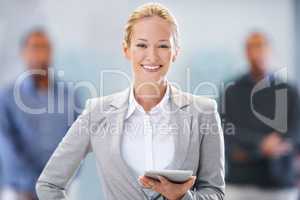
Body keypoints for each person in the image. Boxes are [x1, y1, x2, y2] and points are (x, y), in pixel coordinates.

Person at [36, 3, 225, 200]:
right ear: (126, 50)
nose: (152, 56)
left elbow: (215, 192)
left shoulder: (203, 112)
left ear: (175, 52)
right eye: (142, 45)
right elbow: (49, 184)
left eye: (163, 45)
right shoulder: (97, 112)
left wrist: (183, 197)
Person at [0, 28, 80, 200]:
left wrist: (57, 184)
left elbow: (79, 143)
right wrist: (33, 184)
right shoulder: (7, 97)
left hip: (60, 190)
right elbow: (6, 146)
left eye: (45, 47)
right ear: (23, 53)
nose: (41, 53)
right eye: (35, 47)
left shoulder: (70, 95)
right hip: (19, 191)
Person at [224, 32, 300, 200]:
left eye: (262, 46)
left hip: (280, 185)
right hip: (239, 183)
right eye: (253, 47)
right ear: (246, 52)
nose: (258, 52)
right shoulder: (231, 90)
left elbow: (296, 130)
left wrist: (281, 143)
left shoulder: (290, 91)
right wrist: (260, 144)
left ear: (270, 51)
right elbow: (225, 129)